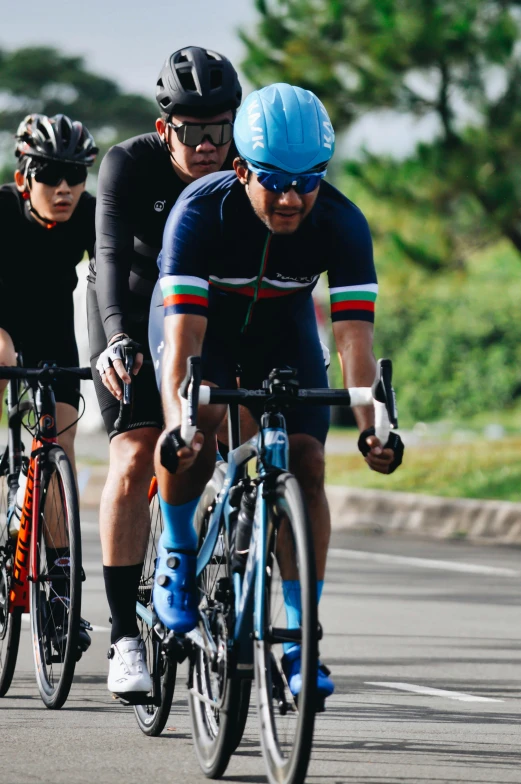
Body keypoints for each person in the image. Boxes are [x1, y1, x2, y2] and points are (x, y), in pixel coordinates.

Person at [149, 83, 404, 705]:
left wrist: (374, 424)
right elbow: (182, 345)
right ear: (240, 169)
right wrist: (178, 427)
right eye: (273, 180)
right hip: (205, 329)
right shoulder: (198, 211)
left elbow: (354, 345)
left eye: (308, 180)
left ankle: (300, 640)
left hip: (283, 333)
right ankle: (180, 554)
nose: (292, 197)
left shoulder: (341, 221)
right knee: (201, 422)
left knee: (310, 464)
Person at [88, 46, 242, 694]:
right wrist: (118, 337)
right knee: (134, 456)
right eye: (190, 131)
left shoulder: (249, 170)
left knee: (227, 437)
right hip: (130, 304)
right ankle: (125, 636)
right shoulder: (130, 164)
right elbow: (108, 252)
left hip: (209, 312)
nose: (206, 144)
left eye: (218, 128)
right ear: (164, 129)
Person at [0, 112, 98, 654]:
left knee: (58, 449)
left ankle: (59, 587)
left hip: (54, 338)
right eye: (49, 175)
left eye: (75, 175)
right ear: (23, 177)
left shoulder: (87, 215)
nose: (63, 188)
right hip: (2, 328)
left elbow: (109, 284)